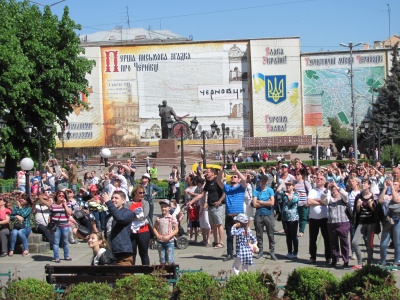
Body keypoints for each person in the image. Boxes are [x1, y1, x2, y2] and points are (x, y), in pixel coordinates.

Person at [217, 164, 247, 262]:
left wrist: (236, 170)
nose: (233, 178)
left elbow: (244, 180)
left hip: (239, 216)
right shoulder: (227, 188)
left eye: (235, 177)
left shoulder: (241, 188)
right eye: (232, 176)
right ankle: (230, 254)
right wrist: (221, 171)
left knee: (240, 237)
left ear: (238, 180)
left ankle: (240, 254)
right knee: (229, 236)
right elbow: (218, 181)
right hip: (229, 216)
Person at [321, 181, 350, 268]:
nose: (334, 191)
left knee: (344, 243)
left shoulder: (343, 198)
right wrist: (327, 189)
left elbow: (345, 195)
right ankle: (334, 259)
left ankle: (346, 260)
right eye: (333, 190)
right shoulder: (329, 199)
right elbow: (323, 199)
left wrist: (337, 186)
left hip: (343, 222)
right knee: (333, 243)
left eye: (336, 190)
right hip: (331, 223)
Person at [101, 190, 134, 266]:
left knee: (124, 276)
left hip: (122, 252)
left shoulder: (128, 213)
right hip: (110, 252)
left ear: (123, 201)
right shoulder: (108, 216)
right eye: (112, 198)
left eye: (116, 198)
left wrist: (108, 202)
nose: (113, 200)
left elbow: (120, 218)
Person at [351, 179, 377, 269]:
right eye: (362, 183)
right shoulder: (358, 196)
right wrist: (358, 206)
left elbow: (377, 212)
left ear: (369, 185)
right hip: (361, 223)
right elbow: (357, 212)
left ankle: (369, 262)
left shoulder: (373, 197)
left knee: (369, 244)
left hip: (371, 223)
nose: (363, 184)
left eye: (365, 183)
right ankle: (360, 262)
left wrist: (371, 206)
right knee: (354, 241)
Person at [307, 174, 331, 264]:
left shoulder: (327, 191)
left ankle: (328, 257)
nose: (318, 180)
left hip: (325, 218)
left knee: (327, 239)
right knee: (312, 239)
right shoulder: (312, 190)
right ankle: (312, 257)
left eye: (321, 179)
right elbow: (309, 201)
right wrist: (321, 201)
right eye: (317, 179)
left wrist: (316, 200)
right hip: (313, 218)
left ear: (324, 181)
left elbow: (327, 202)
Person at [252, 174, 277, 260]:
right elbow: (254, 204)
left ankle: (272, 251)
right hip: (259, 214)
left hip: (269, 214)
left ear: (267, 181)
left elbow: (272, 203)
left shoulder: (270, 190)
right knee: (259, 234)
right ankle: (260, 251)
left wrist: (261, 202)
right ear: (260, 181)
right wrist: (266, 202)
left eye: (265, 180)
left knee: (271, 234)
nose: (263, 182)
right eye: (262, 180)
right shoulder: (256, 190)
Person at [379, 179, 400, 266]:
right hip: (387, 221)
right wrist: (385, 188)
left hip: (397, 220)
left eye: (396, 184)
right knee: (383, 244)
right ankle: (383, 261)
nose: (393, 185)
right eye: (393, 184)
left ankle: (396, 261)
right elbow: (380, 201)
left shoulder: (398, 195)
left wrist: (391, 187)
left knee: (397, 243)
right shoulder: (387, 196)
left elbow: (395, 200)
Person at [277, 181, 299, 259]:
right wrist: (283, 183)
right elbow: (278, 190)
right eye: (287, 186)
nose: (288, 187)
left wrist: (288, 194)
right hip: (285, 218)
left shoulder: (296, 194)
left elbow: (292, 200)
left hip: (293, 218)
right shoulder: (284, 193)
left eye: (289, 185)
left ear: (293, 186)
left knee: (293, 235)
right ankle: (289, 251)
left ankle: (295, 252)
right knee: (288, 236)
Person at [129, 185, 150, 265]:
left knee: (144, 253)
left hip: (143, 231)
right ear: (135, 193)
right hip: (132, 232)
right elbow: (127, 215)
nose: (142, 194)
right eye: (140, 193)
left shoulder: (145, 203)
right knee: (132, 254)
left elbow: (144, 215)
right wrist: (136, 215)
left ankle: (146, 274)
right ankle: (130, 274)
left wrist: (134, 215)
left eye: (143, 193)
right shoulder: (129, 203)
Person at [49, 190, 72, 262]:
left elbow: (69, 213)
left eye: (63, 195)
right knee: (56, 242)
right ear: (56, 196)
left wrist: (64, 205)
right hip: (56, 226)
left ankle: (66, 255)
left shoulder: (67, 204)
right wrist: (49, 225)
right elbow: (50, 216)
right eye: (59, 195)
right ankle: (56, 257)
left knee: (65, 241)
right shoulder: (53, 205)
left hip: (65, 225)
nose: (61, 196)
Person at [153, 199, 179, 265]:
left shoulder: (172, 217)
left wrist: (169, 236)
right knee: (162, 260)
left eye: (165, 207)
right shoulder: (158, 218)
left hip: (169, 241)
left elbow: (176, 229)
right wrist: (158, 235)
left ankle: (170, 273)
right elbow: (154, 228)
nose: (163, 208)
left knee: (170, 260)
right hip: (160, 241)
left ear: (169, 208)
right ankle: (163, 273)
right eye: (162, 207)